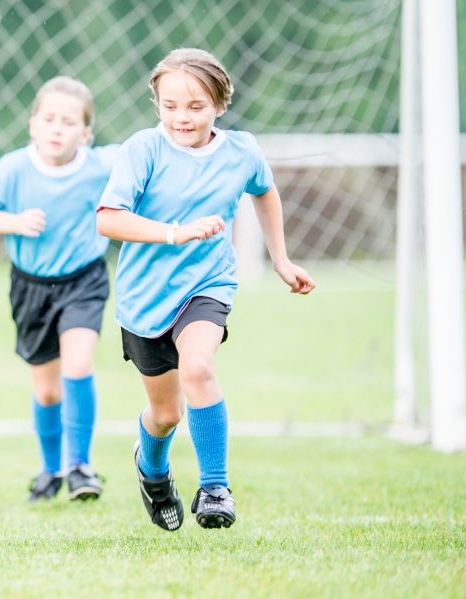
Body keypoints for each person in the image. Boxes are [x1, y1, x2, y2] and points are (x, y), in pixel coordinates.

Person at [96, 48, 315, 531]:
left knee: (199, 365)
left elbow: (264, 190)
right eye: (170, 105)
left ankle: (215, 487)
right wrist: (176, 231)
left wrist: (280, 258)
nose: (182, 117)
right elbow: (109, 219)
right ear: (157, 104)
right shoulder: (143, 150)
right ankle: (152, 470)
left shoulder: (241, 151)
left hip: (207, 283)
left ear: (220, 103)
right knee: (166, 414)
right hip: (144, 298)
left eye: (195, 106)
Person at [0, 76, 116, 502]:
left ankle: (81, 467)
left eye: (68, 122)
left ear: (86, 134)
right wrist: (12, 222)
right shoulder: (12, 168)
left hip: (84, 280)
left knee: (78, 366)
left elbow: (149, 158)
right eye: (48, 119)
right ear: (33, 125)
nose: (56, 128)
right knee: (47, 389)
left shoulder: (102, 165)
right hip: (31, 287)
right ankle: (51, 470)